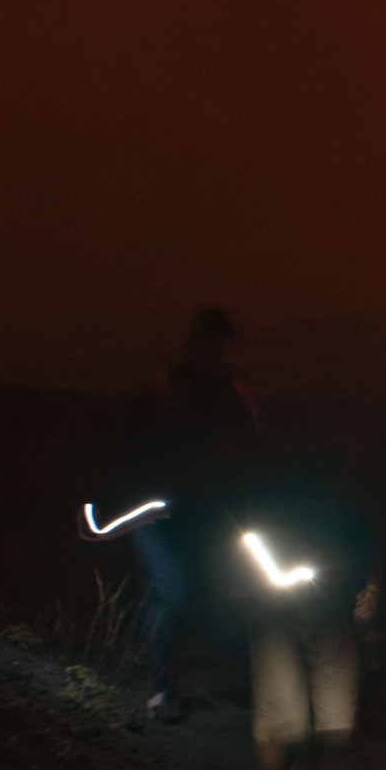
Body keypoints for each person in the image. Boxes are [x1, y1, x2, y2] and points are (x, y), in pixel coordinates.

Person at [232, 449, 378, 770]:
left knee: (336, 733)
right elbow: (241, 568)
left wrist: (370, 598)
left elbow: (370, 556)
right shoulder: (266, 514)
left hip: (333, 624)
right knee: (284, 729)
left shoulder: (349, 512)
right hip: (276, 624)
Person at [121, 308, 262, 725]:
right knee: (174, 589)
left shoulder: (221, 389)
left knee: (189, 590)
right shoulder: (175, 384)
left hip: (193, 506)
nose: (220, 352)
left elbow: (249, 446)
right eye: (217, 344)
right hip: (160, 506)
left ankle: (176, 679)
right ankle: (165, 686)